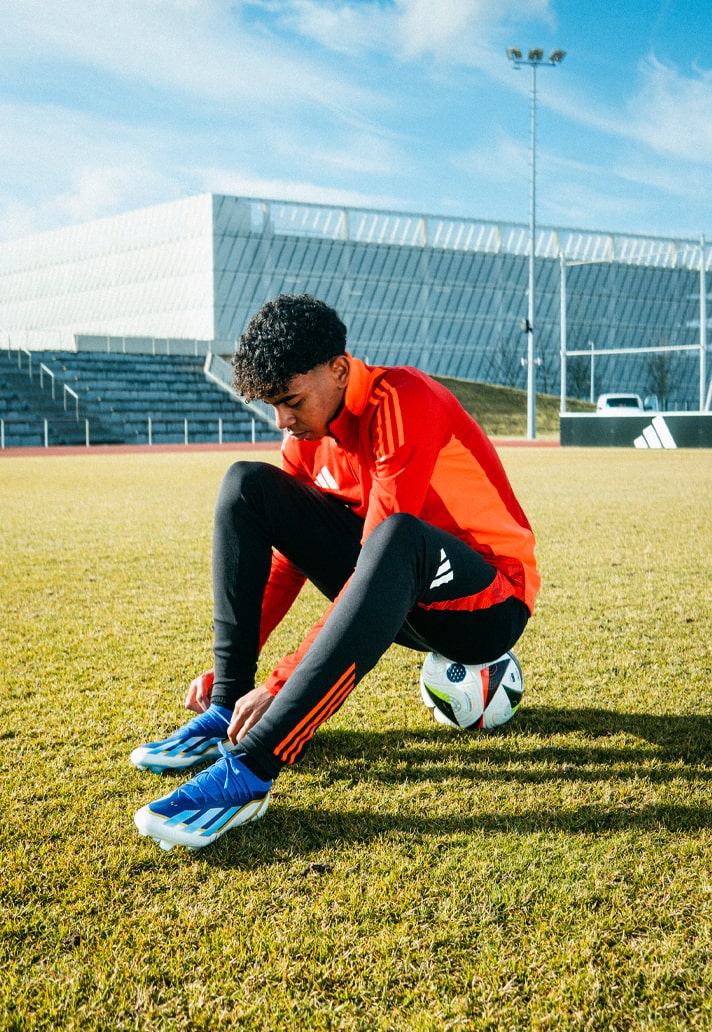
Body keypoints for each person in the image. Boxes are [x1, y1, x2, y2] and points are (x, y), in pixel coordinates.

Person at [132, 293, 540, 851]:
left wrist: (281, 687)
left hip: (490, 601)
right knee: (246, 487)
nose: (283, 420)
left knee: (398, 538)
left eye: (291, 400)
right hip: (400, 594)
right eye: (272, 405)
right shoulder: (307, 440)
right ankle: (226, 704)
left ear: (339, 370)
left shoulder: (402, 400)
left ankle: (253, 768)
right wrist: (243, 677)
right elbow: (284, 566)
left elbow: (383, 551)